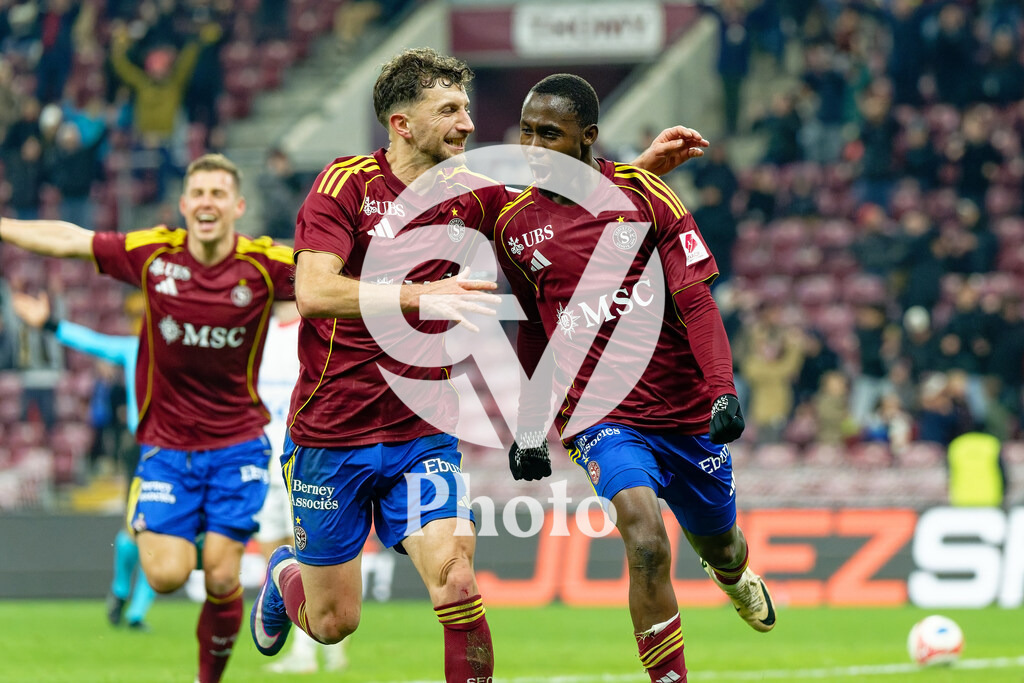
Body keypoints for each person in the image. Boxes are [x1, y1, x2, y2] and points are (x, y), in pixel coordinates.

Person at [250, 47, 708, 682]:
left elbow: (558, 211)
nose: (468, 124)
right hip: (332, 432)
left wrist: (632, 174)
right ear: (402, 123)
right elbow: (314, 291)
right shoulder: (346, 184)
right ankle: (285, 575)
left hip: (422, 433)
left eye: (465, 108)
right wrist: (418, 294)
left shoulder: (475, 194)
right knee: (333, 623)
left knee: (458, 582)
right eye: (450, 111)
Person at [496, 74, 776, 682]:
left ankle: (731, 575)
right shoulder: (514, 227)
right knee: (646, 540)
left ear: (587, 138)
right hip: (599, 417)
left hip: (681, 409)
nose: (532, 145)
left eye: (550, 133)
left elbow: (697, 301)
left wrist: (722, 388)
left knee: (722, 546)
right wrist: (529, 427)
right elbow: (536, 331)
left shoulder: (648, 197)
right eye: (526, 131)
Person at [0, 153, 295, 683]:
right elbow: (71, 238)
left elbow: (336, 277)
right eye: (198, 193)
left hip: (238, 446)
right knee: (163, 574)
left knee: (224, 577)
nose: (208, 202)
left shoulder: (266, 265)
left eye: (218, 193)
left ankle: (211, 676)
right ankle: (209, 555)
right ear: (184, 205)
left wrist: (414, 290)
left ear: (238, 206)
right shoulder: (153, 255)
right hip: (167, 448)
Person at [11, 290, 155, 631]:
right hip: (144, 450)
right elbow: (92, 342)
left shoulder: (187, 357)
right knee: (136, 529)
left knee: (165, 532)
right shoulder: (135, 350)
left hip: (180, 449)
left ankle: (136, 611)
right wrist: (49, 323)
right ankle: (121, 590)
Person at [253, 299, 348, 674]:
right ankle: (313, 647)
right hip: (263, 459)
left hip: (304, 460)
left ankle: (310, 652)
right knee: (276, 562)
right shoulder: (259, 335)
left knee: (311, 560)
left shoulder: (315, 327)